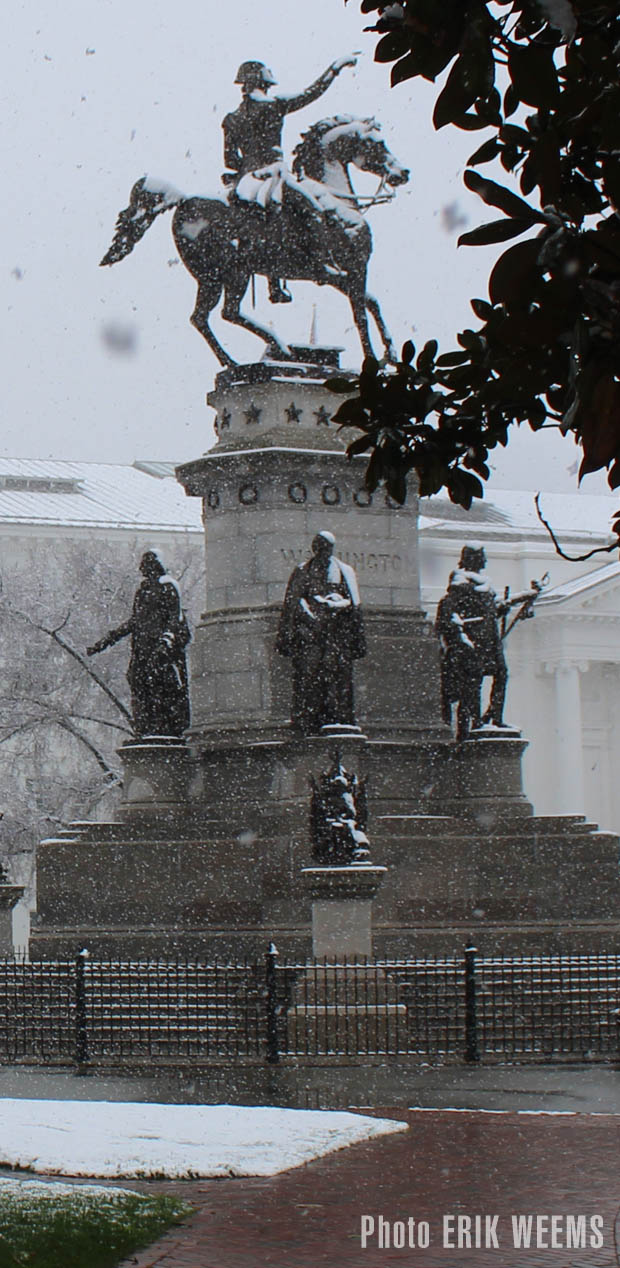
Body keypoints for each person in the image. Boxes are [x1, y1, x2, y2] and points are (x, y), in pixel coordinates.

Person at [222, 56, 357, 302]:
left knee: (264, 225)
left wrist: (246, 168)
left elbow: (230, 159)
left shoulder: (231, 118)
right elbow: (312, 93)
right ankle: (320, 264)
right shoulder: (274, 105)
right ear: (263, 83)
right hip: (274, 174)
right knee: (314, 209)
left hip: (246, 182)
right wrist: (334, 69)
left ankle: (274, 284)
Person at [87, 551, 190, 738]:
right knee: (138, 683)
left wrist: (165, 642)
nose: (141, 568)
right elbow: (134, 621)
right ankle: (145, 729)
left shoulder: (168, 587)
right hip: (141, 649)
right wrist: (105, 642)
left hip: (159, 650)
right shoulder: (142, 590)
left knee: (160, 687)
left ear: (155, 565)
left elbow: (175, 619)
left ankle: (163, 729)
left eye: (145, 564)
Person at [276, 530, 365, 734]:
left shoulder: (344, 571)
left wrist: (337, 605)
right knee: (308, 679)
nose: (322, 551)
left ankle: (337, 719)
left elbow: (354, 604)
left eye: (326, 547)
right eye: (319, 547)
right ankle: (308, 721)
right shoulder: (303, 571)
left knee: (337, 680)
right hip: (310, 637)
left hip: (336, 637)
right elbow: (294, 602)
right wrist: (311, 617)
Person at [435, 545, 508, 740]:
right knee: (472, 685)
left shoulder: (485, 585)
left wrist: (503, 608)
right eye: (481, 558)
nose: (485, 562)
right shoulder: (461, 583)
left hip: (490, 642)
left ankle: (494, 716)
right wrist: (462, 641)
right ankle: (474, 723)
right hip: (474, 643)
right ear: (472, 559)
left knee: (501, 674)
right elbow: (450, 613)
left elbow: (488, 611)